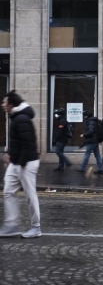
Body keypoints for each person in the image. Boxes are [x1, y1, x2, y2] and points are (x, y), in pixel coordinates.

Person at [0, 91, 42, 238]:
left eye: (5, 102)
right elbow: (17, 140)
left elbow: (28, 142)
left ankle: (36, 227)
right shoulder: (17, 117)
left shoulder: (22, 118)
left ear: (11, 105)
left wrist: (22, 161)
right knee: (9, 191)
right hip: (17, 161)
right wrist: (10, 154)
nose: (3, 104)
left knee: (30, 195)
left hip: (26, 163)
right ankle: (12, 225)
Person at [76, 110, 103, 174]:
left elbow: (91, 131)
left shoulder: (91, 122)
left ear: (87, 116)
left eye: (84, 115)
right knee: (97, 155)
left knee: (87, 154)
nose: (84, 117)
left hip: (92, 140)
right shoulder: (93, 121)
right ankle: (101, 168)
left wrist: (84, 134)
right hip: (95, 139)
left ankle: (82, 167)